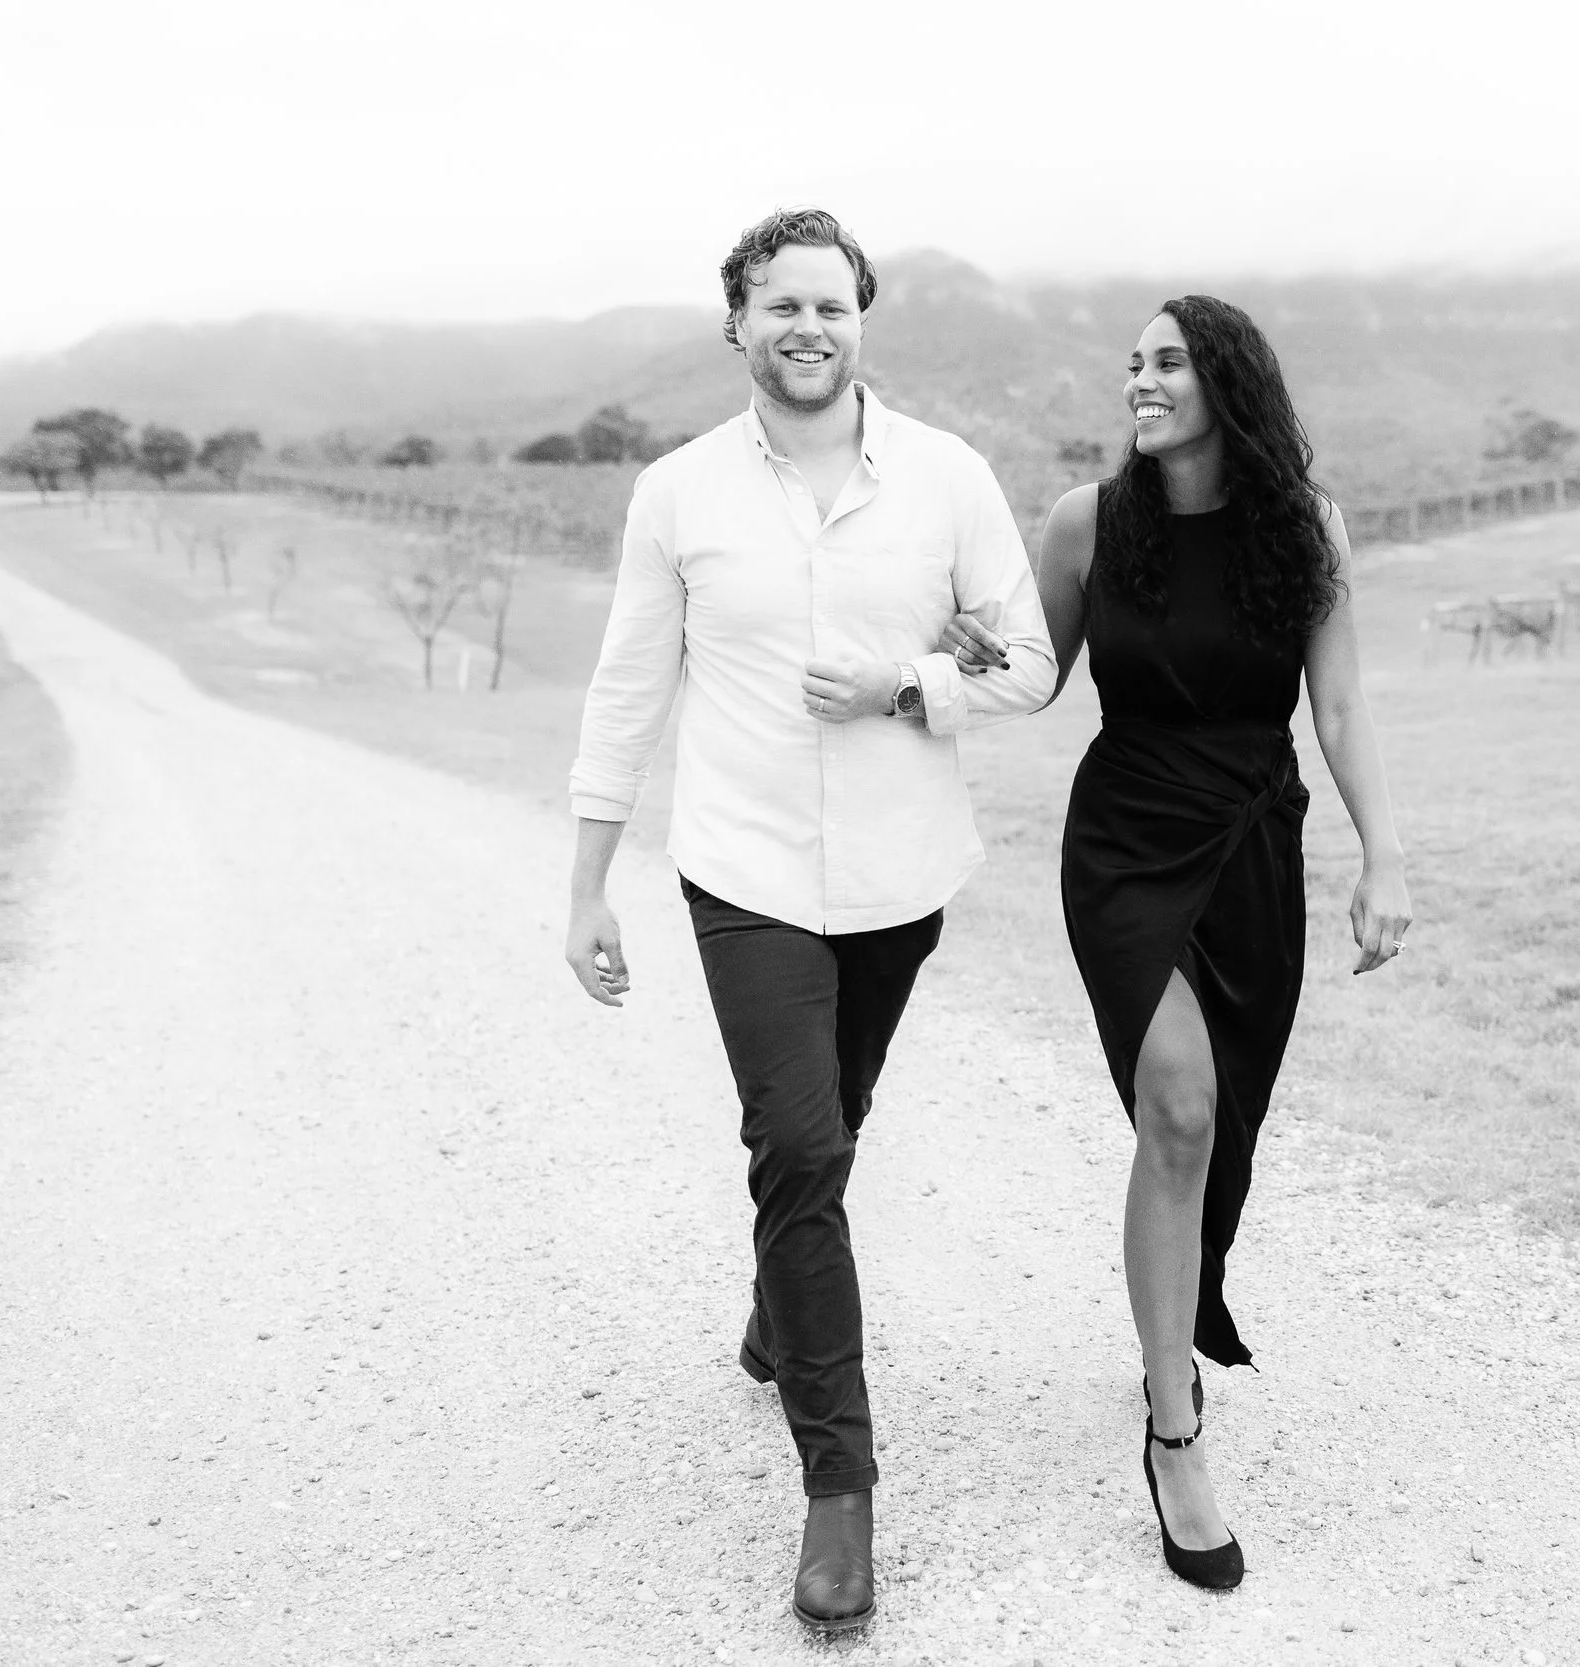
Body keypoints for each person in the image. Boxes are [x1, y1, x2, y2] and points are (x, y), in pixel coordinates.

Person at [563, 207, 1054, 1634]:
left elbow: (1029, 664)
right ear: (738, 322)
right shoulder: (679, 494)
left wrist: (908, 685)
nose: (808, 327)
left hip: (901, 876)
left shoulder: (948, 479)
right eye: (781, 304)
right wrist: (588, 882)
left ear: (861, 320)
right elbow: (628, 686)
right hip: (747, 871)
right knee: (799, 1142)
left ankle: (780, 1311)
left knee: (829, 1126)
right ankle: (841, 1489)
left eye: (831, 305)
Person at [946, 295, 1411, 1590]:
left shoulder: (1306, 527)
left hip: (1254, 846)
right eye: (1134, 364)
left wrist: (1384, 856)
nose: (1139, 381)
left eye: (1167, 362)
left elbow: (1340, 705)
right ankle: (1173, 1430)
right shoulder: (1087, 523)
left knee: (1220, 1126)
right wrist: (962, 654)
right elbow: (1033, 674)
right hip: (1126, 844)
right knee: (1182, 1106)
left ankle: (1172, 1325)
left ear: (1229, 384)